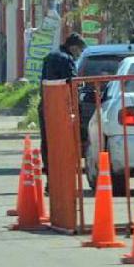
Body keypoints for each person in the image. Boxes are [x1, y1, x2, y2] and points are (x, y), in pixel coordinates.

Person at [38, 33, 87, 193]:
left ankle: (51, 181)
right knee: (64, 144)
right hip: (62, 107)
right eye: (79, 51)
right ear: (73, 47)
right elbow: (72, 83)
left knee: (48, 143)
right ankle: (63, 181)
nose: (79, 54)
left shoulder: (50, 56)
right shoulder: (67, 59)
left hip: (45, 105)